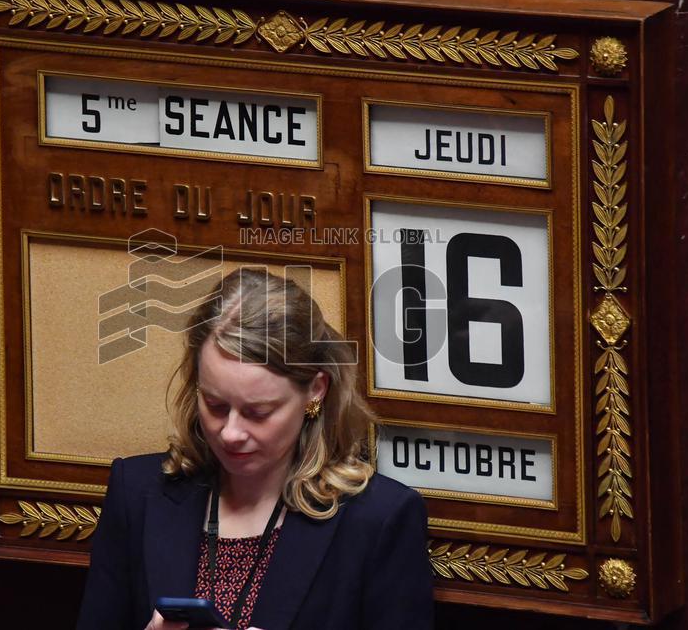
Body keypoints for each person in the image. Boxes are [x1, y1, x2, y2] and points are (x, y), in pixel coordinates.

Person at [77, 267, 434, 630]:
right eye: (215, 405)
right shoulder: (136, 493)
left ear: (315, 391)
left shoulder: (379, 519)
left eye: (257, 412)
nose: (230, 433)